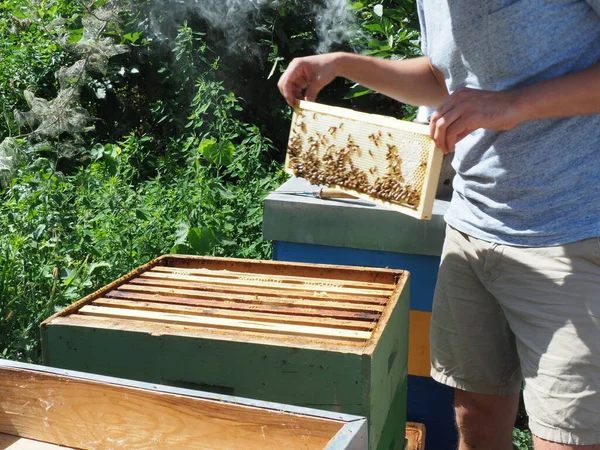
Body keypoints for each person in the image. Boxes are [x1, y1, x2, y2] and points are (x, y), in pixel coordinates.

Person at [277, 1, 600, 449]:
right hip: (472, 229)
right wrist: (342, 64)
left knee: (567, 439)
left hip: (570, 231)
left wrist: (514, 105)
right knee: (476, 417)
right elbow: (440, 77)